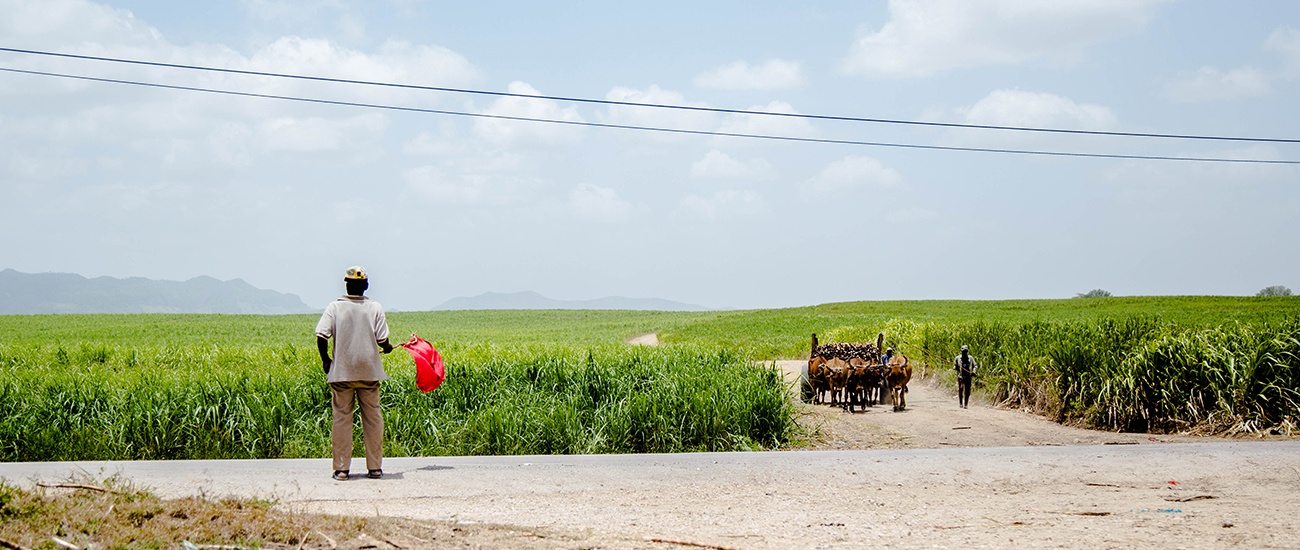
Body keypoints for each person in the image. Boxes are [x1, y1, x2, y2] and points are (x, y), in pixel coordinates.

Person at [315, 266, 394, 481]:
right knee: (373, 419)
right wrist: (387, 347)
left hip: (342, 374)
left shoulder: (335, 308)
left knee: (341, 420)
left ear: (346, 285)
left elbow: (321, 336)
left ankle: (342, 470)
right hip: (369, 373)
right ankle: (375, 468)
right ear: (366, 286)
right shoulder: (374, 307)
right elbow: (382, 339)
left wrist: (326, 361)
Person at [953, 344, 977, 409]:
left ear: (967, 352)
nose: (964, 353)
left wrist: (974, 372)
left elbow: (975, 366)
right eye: (963, 351)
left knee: (967, 391)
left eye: (965, 351)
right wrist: (956, 367)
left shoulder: (970, 358)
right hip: (961, 377)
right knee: (961, 389)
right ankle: (960, 403)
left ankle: (966, 404)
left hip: (968, 377)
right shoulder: (958, 358)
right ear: (961, 351)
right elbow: (954, 367)